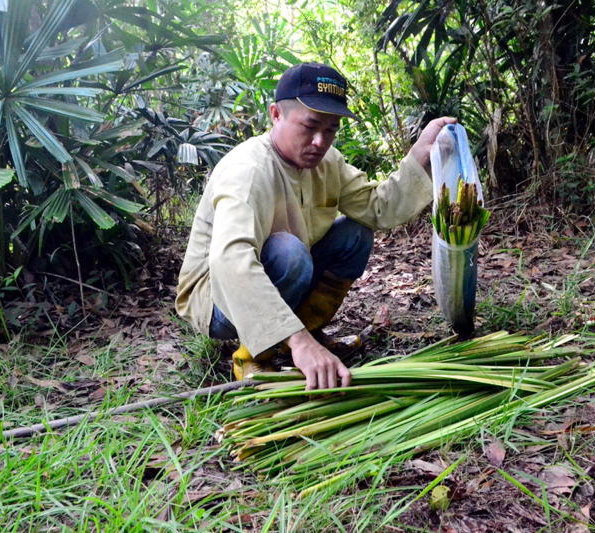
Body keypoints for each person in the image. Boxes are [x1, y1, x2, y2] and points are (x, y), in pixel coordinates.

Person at [176, 62, 456, 389]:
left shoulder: (328, 162)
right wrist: (299, 343)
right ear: (276, 115)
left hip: (284, 273)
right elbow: (231, 262)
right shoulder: (248, 171)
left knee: (355, 233)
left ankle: (303, 332)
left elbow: (378, 207)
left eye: (331, 129)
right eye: (310, 126)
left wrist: (421, 153)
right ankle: (255, 354)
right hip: (217, 300)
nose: (320, 141)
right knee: (289, 252)